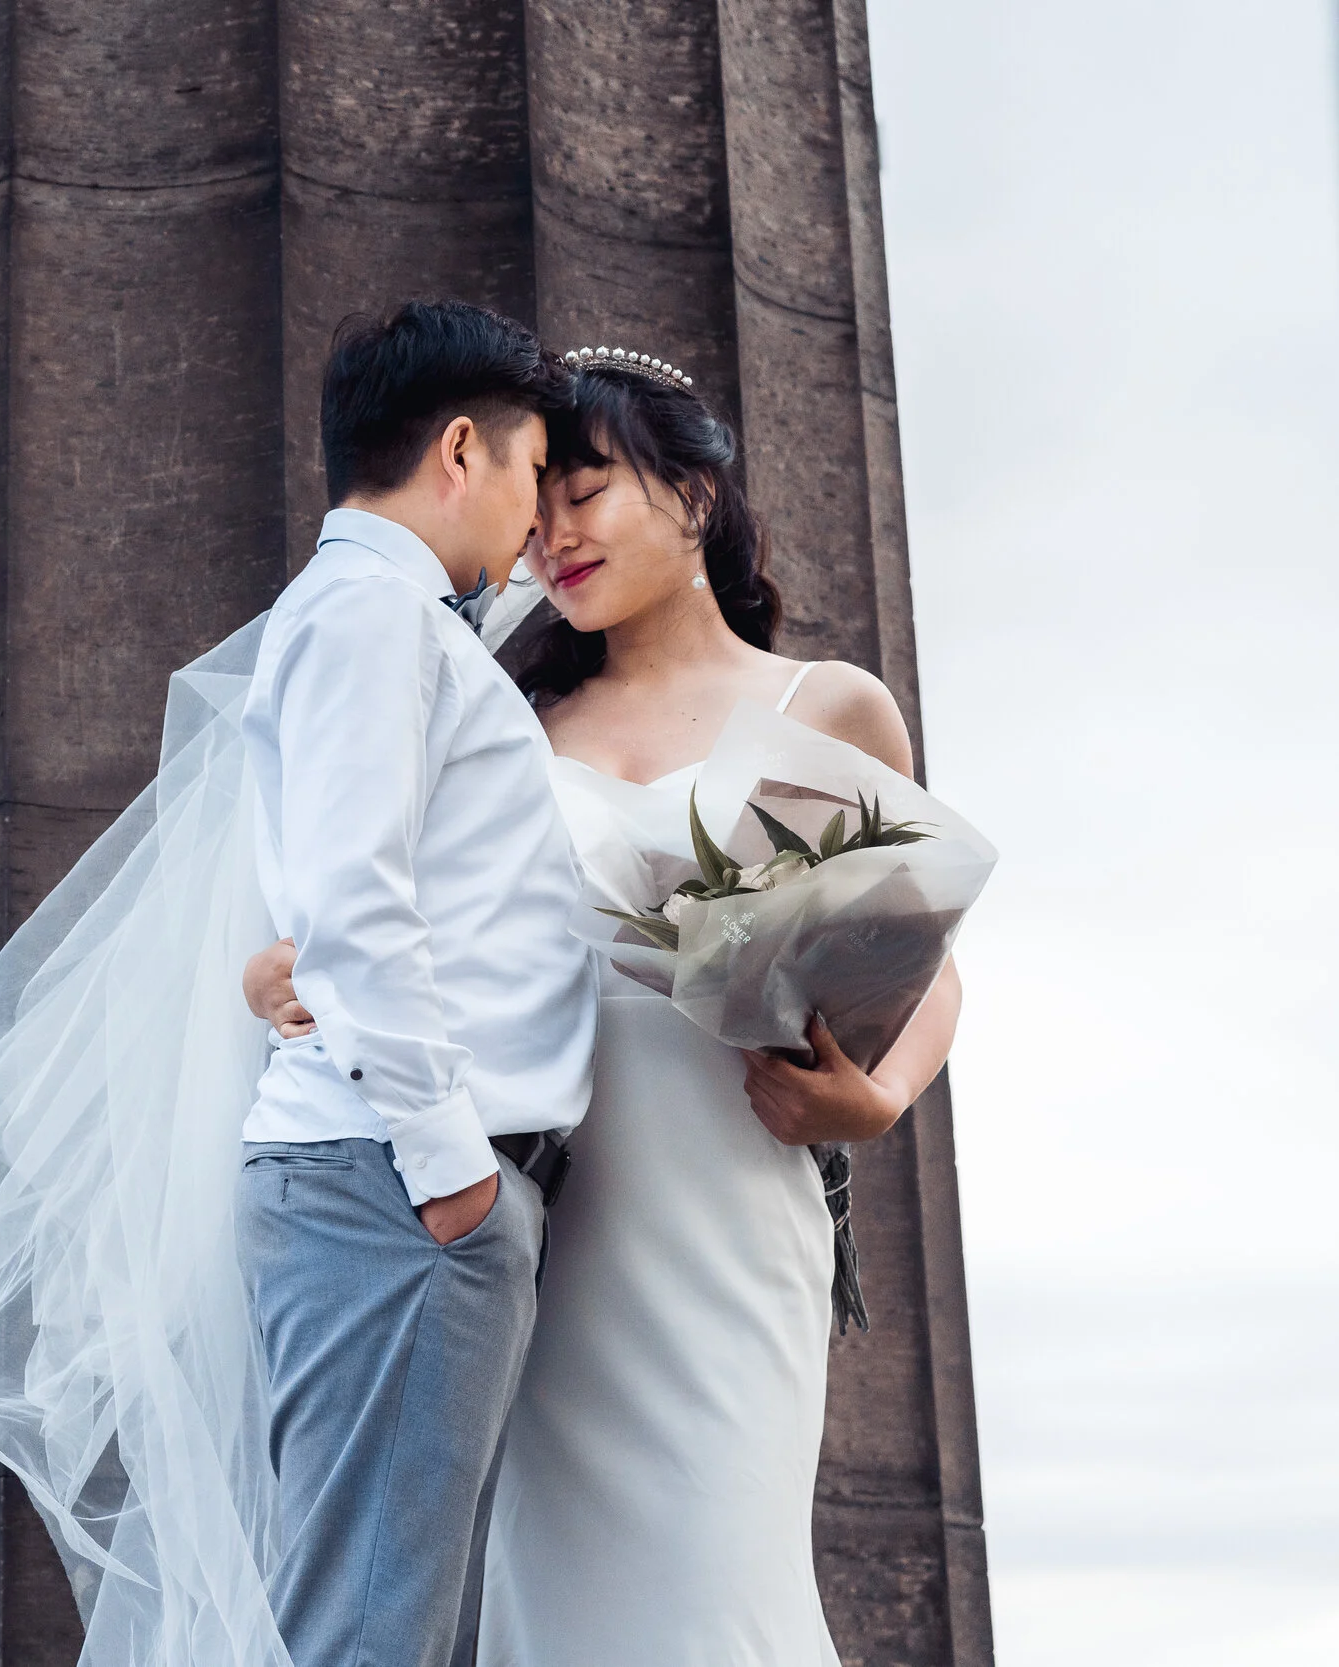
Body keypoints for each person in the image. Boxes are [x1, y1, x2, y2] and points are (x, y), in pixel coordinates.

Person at [242, 349, 962, 1666]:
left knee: (716, 1585)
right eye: (541, 498)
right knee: (552, 1599)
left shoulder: (829, 702)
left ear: (692, 489)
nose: (551, 533)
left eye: (590, 492)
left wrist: (877, 1094)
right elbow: (351, 906)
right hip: (541, 1199)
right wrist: (277, 973)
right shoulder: (509, 708)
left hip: (730, 1188)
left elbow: (929, 951)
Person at [236, 300, 598, 1667]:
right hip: (402, 1185)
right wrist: (452, 1169)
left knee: (383, 1624)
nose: (538, 524)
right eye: (531, 471)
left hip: (390, 1181)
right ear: (462, 449)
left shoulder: (388, 614)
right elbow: (352, 902)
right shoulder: (370, 618)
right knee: (366, 1637)